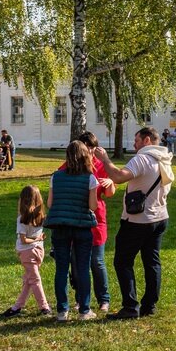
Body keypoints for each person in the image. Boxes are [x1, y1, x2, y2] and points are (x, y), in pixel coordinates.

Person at [93, 126, 174, 320]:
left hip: (138, 220)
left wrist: (105, 159)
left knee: (122, 261)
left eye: (137, 140)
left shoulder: (143, 158)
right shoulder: (165, 159)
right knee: (152, 261)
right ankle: (149, 305)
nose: (135, 144)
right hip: (160, 217)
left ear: (147, 141)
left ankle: (130, 306)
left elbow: (119, 177)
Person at [61, 132, 115, 313]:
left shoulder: (99, 166)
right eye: (87, 148)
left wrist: (110, 184)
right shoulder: (70, 167)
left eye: (93, 148)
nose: (90, 152)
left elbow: (109, 193)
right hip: (75, 219)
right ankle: (80, 299)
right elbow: (59, 180)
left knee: (96, 261)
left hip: (96, 219)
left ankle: (103, 299)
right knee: (77, 262)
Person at [46, 141, 100, 321]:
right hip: (82, 225)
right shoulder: (90, 178)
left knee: (61, 269)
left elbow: (50, 204)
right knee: (83, 268)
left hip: (61, 226)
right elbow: (93, 206)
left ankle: (62, 311)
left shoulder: (56, 176)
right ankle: (84, 310)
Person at [1, 185, 52, 318]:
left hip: (27, 252)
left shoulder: (22, 219)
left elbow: (23, 240)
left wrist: (34, 239)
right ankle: (17, 307)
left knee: (34, 279)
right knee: (28, 280)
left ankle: (44, 307)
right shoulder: (42, 216)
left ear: (22, 200)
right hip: (39, 250)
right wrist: (38, 239)